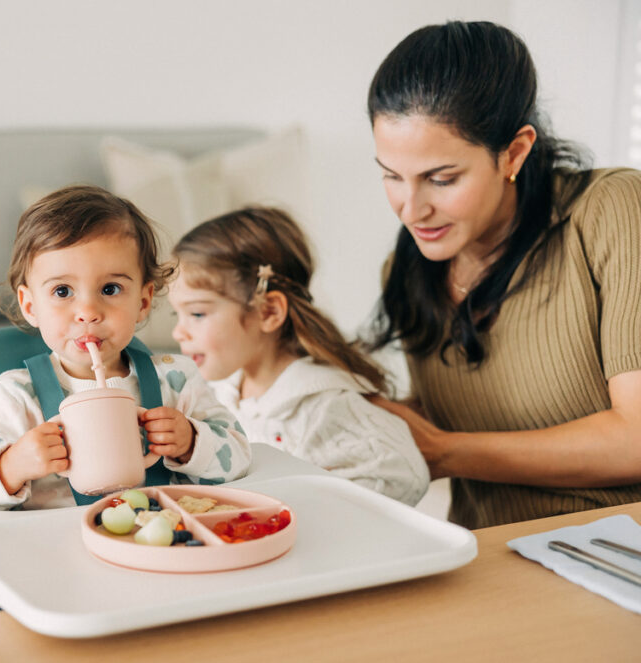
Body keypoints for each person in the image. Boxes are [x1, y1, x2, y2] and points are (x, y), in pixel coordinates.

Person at [366, 20, 641, 528]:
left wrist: (447, 453)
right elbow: (463, 413)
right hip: (480, 556)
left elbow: (636, 438)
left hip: (618, 552)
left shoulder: (611, 211)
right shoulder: (408, 268)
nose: (411, 209)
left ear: (514, 151)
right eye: (391, 175)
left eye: (441, 179)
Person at [0, 184, 251, 509]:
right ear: (30, 305)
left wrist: (192, 442)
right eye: (63, 291)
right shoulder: (18, 396)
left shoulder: (176, 380)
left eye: (110, 288)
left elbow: (239, 456)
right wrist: (14, 465)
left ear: (143, 301)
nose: (89, 313)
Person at [168, 206, 429, 507]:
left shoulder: (323, 405)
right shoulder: (220, 392)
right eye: (179, 314)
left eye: (197, 313)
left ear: (268, 312)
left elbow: (407, 474)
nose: (179, 333)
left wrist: (316, 506)